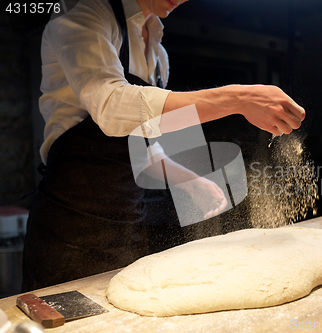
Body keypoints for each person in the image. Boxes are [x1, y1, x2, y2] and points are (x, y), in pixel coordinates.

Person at [22, 0, 305, 292]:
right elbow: (110, 108)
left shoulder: (158, 54)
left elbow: (142, 147)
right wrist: (236, 99)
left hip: (128, 227)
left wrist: (189, 181)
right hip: (69, 229)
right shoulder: (86, 16)